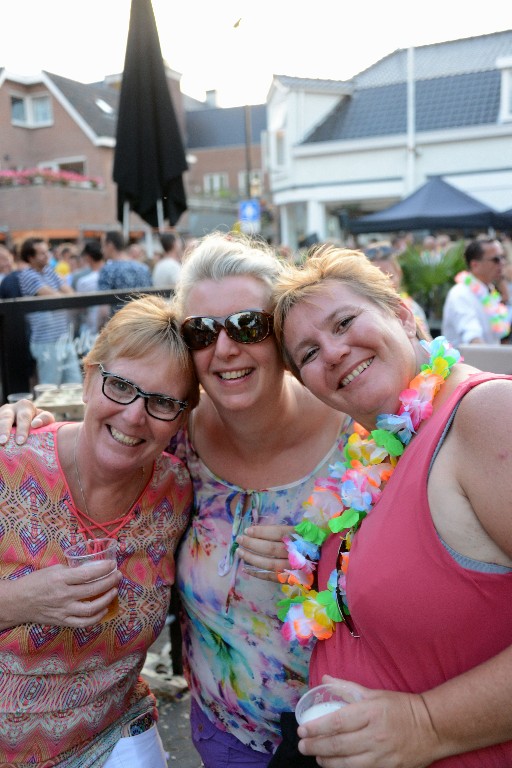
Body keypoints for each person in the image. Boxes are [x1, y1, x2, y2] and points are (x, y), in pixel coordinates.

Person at [6, 232, 354, 768]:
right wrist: (20, 415)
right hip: (226, 733)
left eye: (248, 325)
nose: (224, 348)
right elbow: (122, 409)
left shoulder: (360, 433)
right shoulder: (175, 438)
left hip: (353, 730)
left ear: (281, 333)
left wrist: (331, 560)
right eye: (200, 331)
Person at [268, 244, 512, 767]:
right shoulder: (376, 444)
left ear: (403, 315)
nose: (331, 353)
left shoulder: (486, 413)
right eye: (307, 353)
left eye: (343, 322)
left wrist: (425, 724)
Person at [0, 294, 198, 767]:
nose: (134, 415)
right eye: (120, 386)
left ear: (183, 418)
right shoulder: (9, 463)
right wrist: (18, 603)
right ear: (88, 379)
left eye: (163, 402)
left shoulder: (176, 489)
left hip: (112, 729)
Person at [17, 236, 82, 385]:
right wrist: (63, 294)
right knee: (50, 388)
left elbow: (70, 293)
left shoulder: (49, 272)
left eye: (47, 252)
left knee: (75, 385)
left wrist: (64, 294)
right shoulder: (27, 275)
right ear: (30, 257)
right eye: (42, 253)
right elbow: (55, 297)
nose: (47, 256)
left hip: (63, 337)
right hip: (45, 341)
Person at [442, 237, 509, 346]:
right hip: (470, 362)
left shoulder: (490, 291)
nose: (502, 263)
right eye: (496, 259)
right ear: (475, 265)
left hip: (487, 360)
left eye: (503, 257)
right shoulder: (460, 294)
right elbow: (473, 338)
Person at [364, 242, 431, 339]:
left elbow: (428, 346)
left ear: (399, 273)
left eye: (390, 276)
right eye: (376, 279)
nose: (385, 283)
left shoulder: (413, 309)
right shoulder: (365, 316)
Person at [98, 230, 152, 295]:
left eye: (103, 245)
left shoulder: (108, 271)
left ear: (110, 245)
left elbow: (103, 302)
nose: (101, 250)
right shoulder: (143, 268)